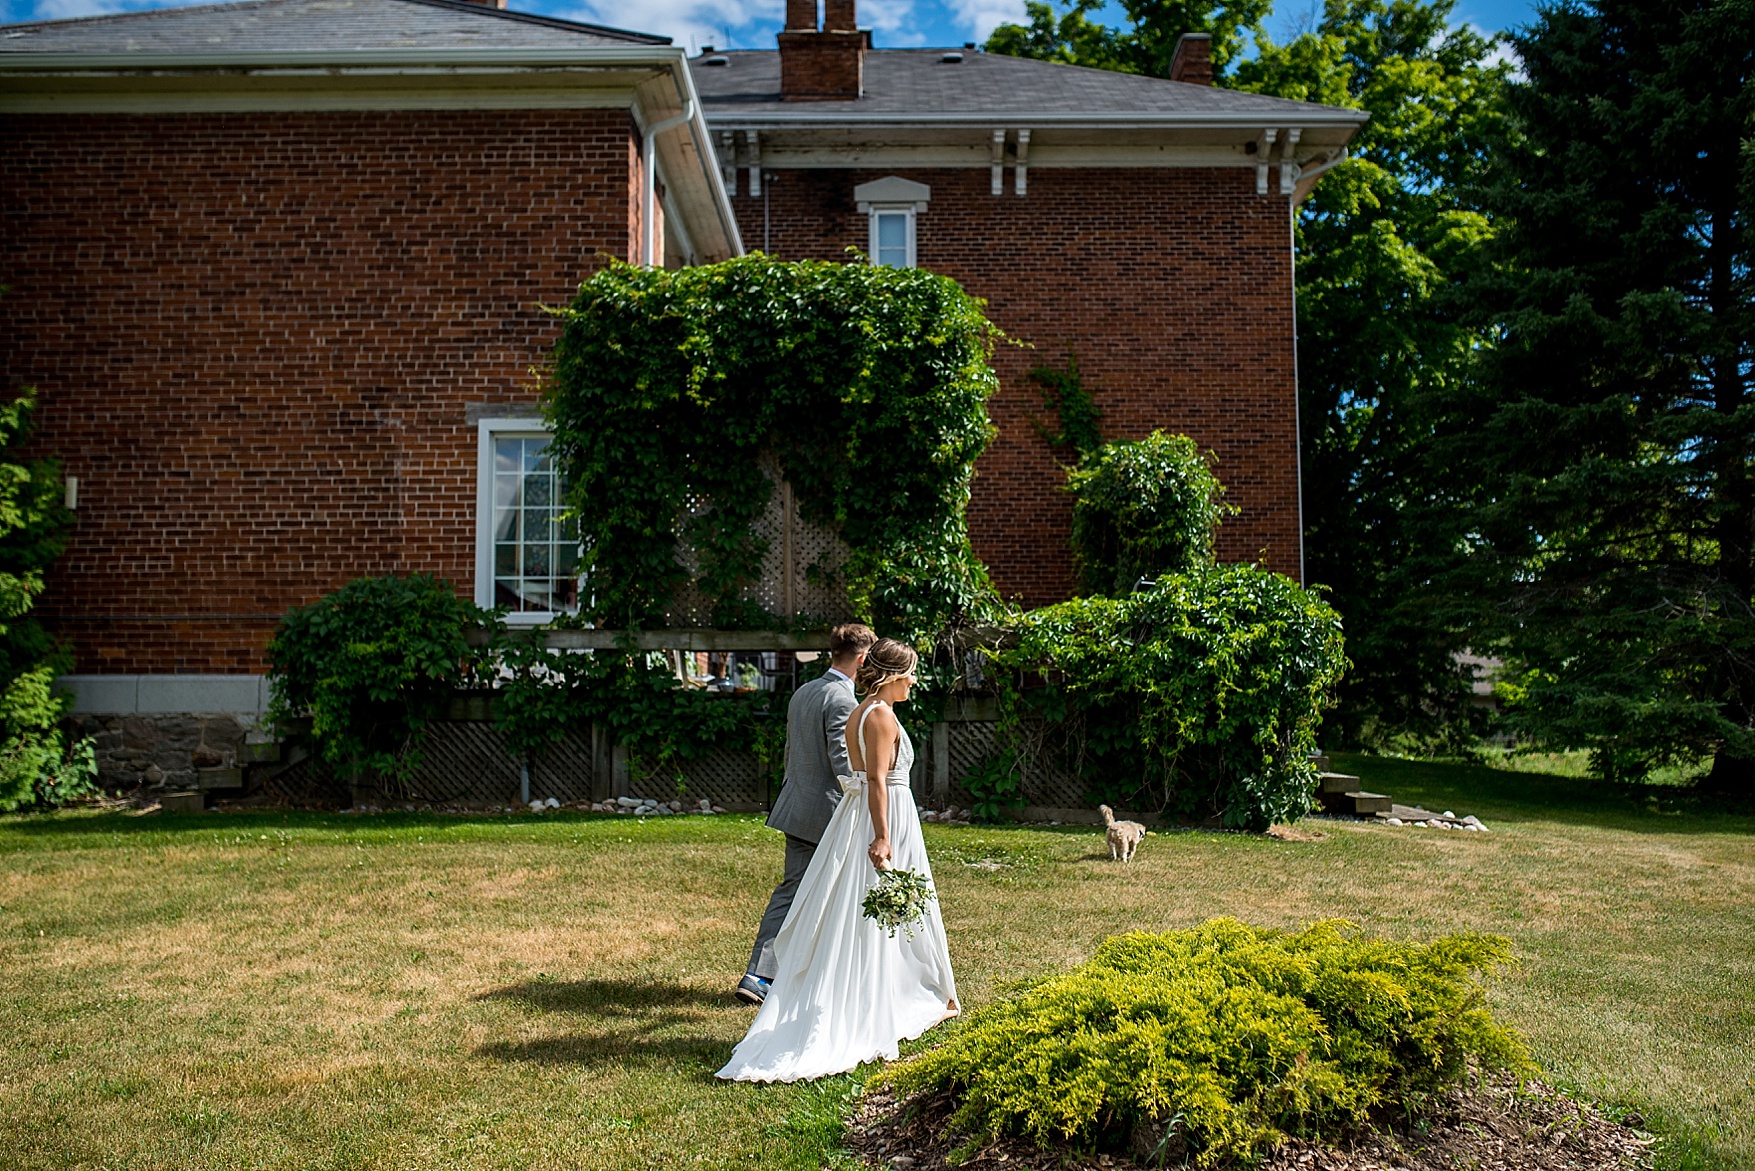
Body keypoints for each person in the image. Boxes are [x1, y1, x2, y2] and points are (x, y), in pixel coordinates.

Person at [717, 638, 958, 1083]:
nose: (913, 682)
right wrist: (884, 836)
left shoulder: (859, 710)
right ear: (892, 675)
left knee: (867, 909)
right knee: (883, 906)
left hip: (860, 814)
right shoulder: (881, 715)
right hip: (883, 818)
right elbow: (877, 782)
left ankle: (897, 989)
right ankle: (895, 999)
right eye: (910, 674)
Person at [736, 622, 877, 1005]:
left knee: (794, 892)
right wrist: (869, 803)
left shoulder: (804, 691)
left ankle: (769, 975)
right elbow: (843, 763)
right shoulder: (842, 699)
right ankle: (768, 976)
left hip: (797, 807)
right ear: (862, 658)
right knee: (820, 894)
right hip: (825, 816)